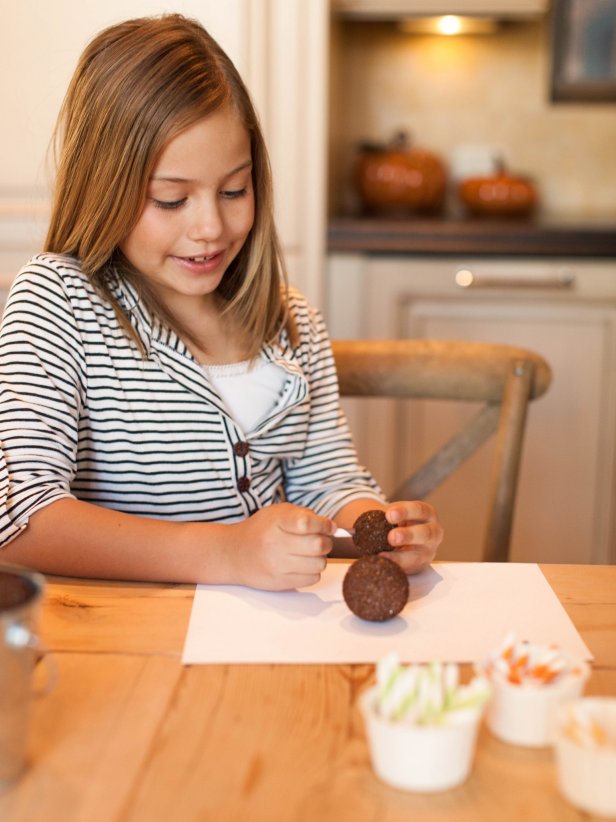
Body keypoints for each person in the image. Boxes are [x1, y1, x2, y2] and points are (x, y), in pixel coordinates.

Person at [0, 14, 443, 591]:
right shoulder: (59, 301)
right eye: (171, 199)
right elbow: (19, 519)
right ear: (103, 187)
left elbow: (326, 477)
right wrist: (228, 553)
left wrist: (380, 529)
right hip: (125, 647)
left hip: (266, 635)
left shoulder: (290, 319)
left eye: (234, 190)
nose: (210, 226)